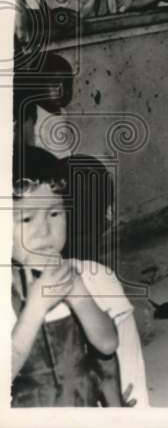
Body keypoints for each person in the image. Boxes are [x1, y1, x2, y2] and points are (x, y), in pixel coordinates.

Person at [11, 147, 141, 407]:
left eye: (55, 213)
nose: (44, 231)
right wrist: (35, 308)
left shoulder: (89, 277)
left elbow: (107, 346)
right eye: (26, 218)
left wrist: (79, 296)